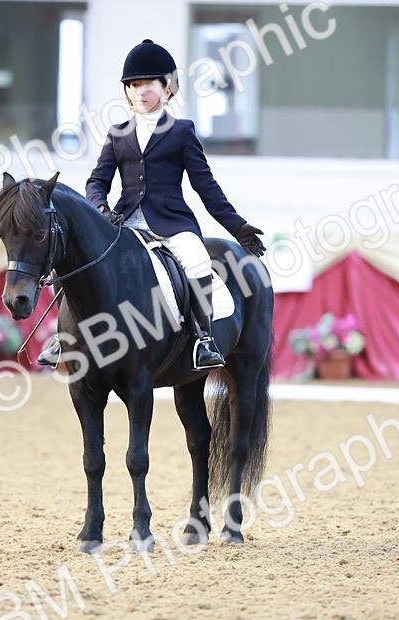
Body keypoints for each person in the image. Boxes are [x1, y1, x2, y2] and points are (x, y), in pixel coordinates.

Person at [39, 38, 264, 371]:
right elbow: (97, 181)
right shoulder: (117, 133)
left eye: (148, 84)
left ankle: (203, 339)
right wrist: (100, 207)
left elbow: (206, 188)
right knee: (81, 262)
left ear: (168, 88)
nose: (140, 91)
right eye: (133, 85)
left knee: (198, 261)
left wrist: (238, 226)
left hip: (172, 224)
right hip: (125, 222)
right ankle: (65, 338)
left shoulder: (182, 132)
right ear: (126, 92)